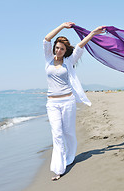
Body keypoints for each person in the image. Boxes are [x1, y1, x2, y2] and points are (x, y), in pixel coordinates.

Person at [43, 22, 105, 181]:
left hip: (68, 102)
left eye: (62, 49)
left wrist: (93, 33)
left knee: (68, 133)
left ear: (65, 51)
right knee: (56, 134)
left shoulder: (69, 62)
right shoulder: (48, 59)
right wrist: (62, 26)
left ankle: (69, 157)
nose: (58, 50)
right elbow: (46, 39)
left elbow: (80, 46)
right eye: (57, 47)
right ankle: (59, 168)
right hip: (52, 104)